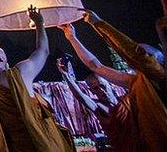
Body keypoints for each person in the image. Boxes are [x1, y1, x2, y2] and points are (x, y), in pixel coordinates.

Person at [0, 6, 73, 151]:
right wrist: (39, 23)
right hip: (36, 143)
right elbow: (43, 50)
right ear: (0, 56)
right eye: (1, 50)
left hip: (4, 146)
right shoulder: (19, 74)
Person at [63, 9, 167, 149]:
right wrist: (72, 38)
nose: (139, 57)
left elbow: (131, 52)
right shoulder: (137, 82)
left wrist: (99, 23)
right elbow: (96, 66)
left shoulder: (160, 77)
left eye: (146, 54)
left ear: (159, 59)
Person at [55, 56, 133, 150]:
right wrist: (66, 76)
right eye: (96, 88)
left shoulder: (125, 101)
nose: (101, 90)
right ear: (92, 91)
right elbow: (81, 96)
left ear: (109, 84)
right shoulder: (98, 106)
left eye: (102, 86)